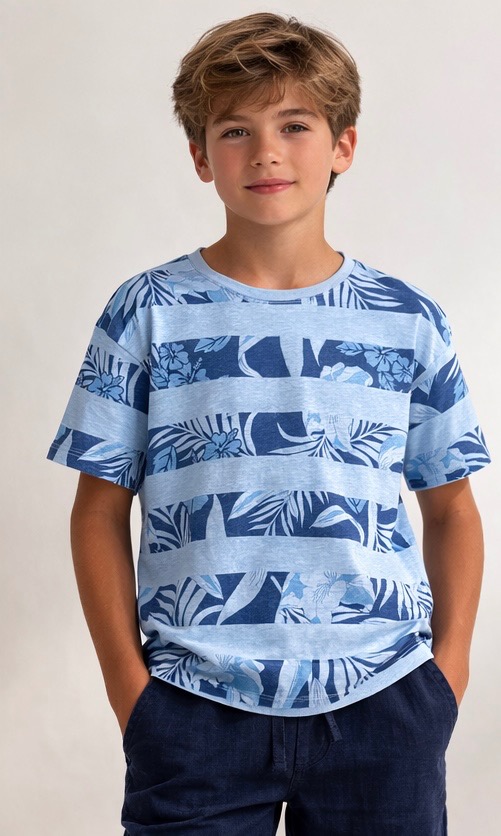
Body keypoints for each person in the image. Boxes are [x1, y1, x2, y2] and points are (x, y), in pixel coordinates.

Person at [47, 11, 491, 835]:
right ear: (199, 156)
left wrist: (446, 675)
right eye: (234, 130)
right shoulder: (147, 311)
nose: (265, 153)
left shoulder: (406, 320)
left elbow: (452, 507)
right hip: (191, 708)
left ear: (342, 146)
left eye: (294, 125)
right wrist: (131, 694)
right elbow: (97, 510)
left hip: (384, 704)